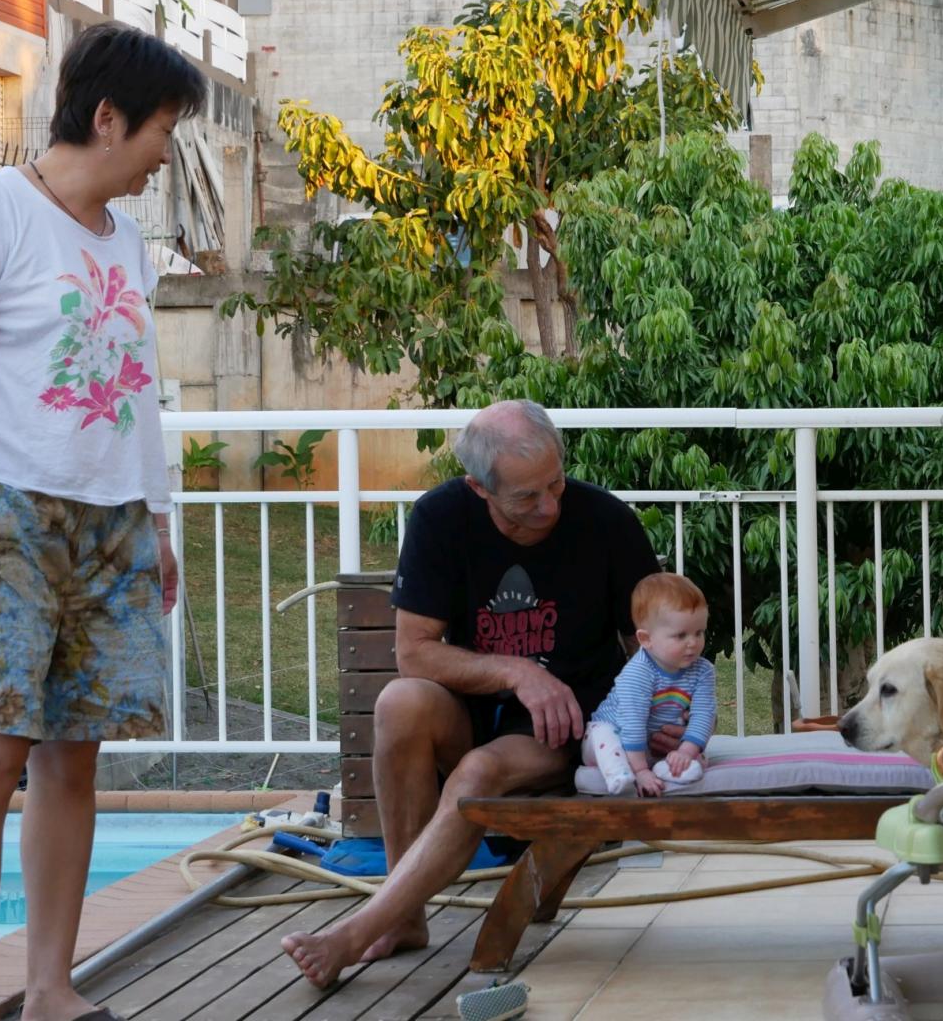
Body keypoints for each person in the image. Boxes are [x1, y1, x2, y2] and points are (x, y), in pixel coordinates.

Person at [0, 23, 204, 1021]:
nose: (165, 155)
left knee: (75, 757)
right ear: (106, 118)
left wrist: (156, 519)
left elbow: (136, 393)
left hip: (110, 523)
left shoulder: (128, 241)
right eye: (162, 130)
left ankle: (52, 986)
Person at [282, 400, 662, 987]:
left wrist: (657, 721)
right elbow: (414, 653)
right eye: (526, 497)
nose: (549, 506)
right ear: (479, 487)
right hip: (475, 708)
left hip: (571, 725)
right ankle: (405, 918)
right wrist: (518, 672)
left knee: (478, 771)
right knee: (400, 703)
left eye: (555, 483)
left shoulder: (607, 522)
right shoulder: (441, 518)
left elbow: (651, 647)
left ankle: (357, 932)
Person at [585, 572, 717, 796]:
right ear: (646, 639)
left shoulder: (703, 671)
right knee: (604, 735)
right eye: (681, 635)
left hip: (650, 745)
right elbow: (632, 723)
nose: (693, 643)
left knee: (697, 759)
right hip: (615, 735)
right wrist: (640, 770)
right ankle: (621, 774)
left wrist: (685, 752)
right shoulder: (638, 673)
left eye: (699, 632)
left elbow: (704, 714)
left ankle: (665, 769)